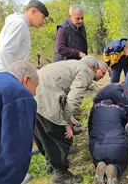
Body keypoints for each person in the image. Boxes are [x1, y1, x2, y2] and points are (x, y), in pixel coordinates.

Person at [33, 56, 102, 184]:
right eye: (100, 72)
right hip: (47, 101)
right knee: (61, 138)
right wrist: (66, 123)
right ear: (92, 67)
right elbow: (73, 99)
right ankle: (61, 175)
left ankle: (51, 165)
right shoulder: (85, 70)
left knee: (43, 136)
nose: (101, 76)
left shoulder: (69, 65)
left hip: (33, 96)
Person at [0, 0, 49, 73]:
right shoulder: (19, 23)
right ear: (33, 12)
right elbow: (5, 52)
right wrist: (11, 78)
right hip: (1, 77)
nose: (44, 21)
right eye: (43, 17)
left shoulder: (22, 24)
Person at [89, 85, 128, 184]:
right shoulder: (120, 109)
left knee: (98, 158)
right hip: (117, 147)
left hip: (97, 146)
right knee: (121, 163)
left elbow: (90, 127)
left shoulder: (94, 109)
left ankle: (100, 163)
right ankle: (115, 168)